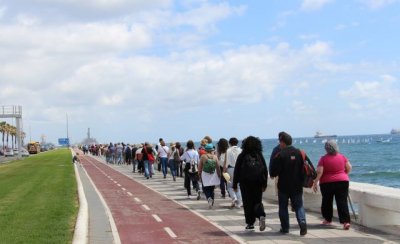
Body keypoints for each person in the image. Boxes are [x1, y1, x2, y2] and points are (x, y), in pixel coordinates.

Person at [270, 132, 308, 236]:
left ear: (282, 142)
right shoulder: (299, 153)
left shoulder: (280, 155)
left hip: (283, 186)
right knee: (299, 206)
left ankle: (285, 228)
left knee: (283, 207)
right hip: (297, 185)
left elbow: (273, 172)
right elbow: (304, 169)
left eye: (280, 142)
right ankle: (302, 222)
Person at [313, 140, 352, 230]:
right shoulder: (342, 157)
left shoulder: (323, 159)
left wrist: (315, 182)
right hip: (342, 182)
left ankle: (328, 219)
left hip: (327, 183)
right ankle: (345, 222)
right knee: (342, 202)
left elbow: (320, 172)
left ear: (326, 149)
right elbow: (349, 167)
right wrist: (344, 174)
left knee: (327, 201)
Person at [233, 136, 268, 231]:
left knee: (248, 203)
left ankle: (250, 223)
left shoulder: (242, 155)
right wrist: (265, 183)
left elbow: (237, 170)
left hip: (245, 183)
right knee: (257, 201)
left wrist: (234, 184)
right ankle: (261, 215)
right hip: (258, 182)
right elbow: (265, 169)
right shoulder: (259, 155)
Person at [198, 143, 221, 209]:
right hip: (213, 174)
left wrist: (199, 174)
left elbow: (200, 167)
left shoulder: (203, 156)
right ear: (212, 150)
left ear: (205, 150)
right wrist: (219, 175)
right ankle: (212, 201)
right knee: (212, 188)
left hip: (205, 174)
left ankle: (208, 198)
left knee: (205, 188)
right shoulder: (215, 157)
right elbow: (218, 167)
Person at [224, 137, 242, 208]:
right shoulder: (241, 150)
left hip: (230, 169)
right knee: (238, 186)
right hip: (239, 170)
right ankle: (239, 203)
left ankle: (234, 197)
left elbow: (226, 161)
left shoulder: (228, 150)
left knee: (229, 186)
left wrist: (224, 170)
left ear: (230, 143)